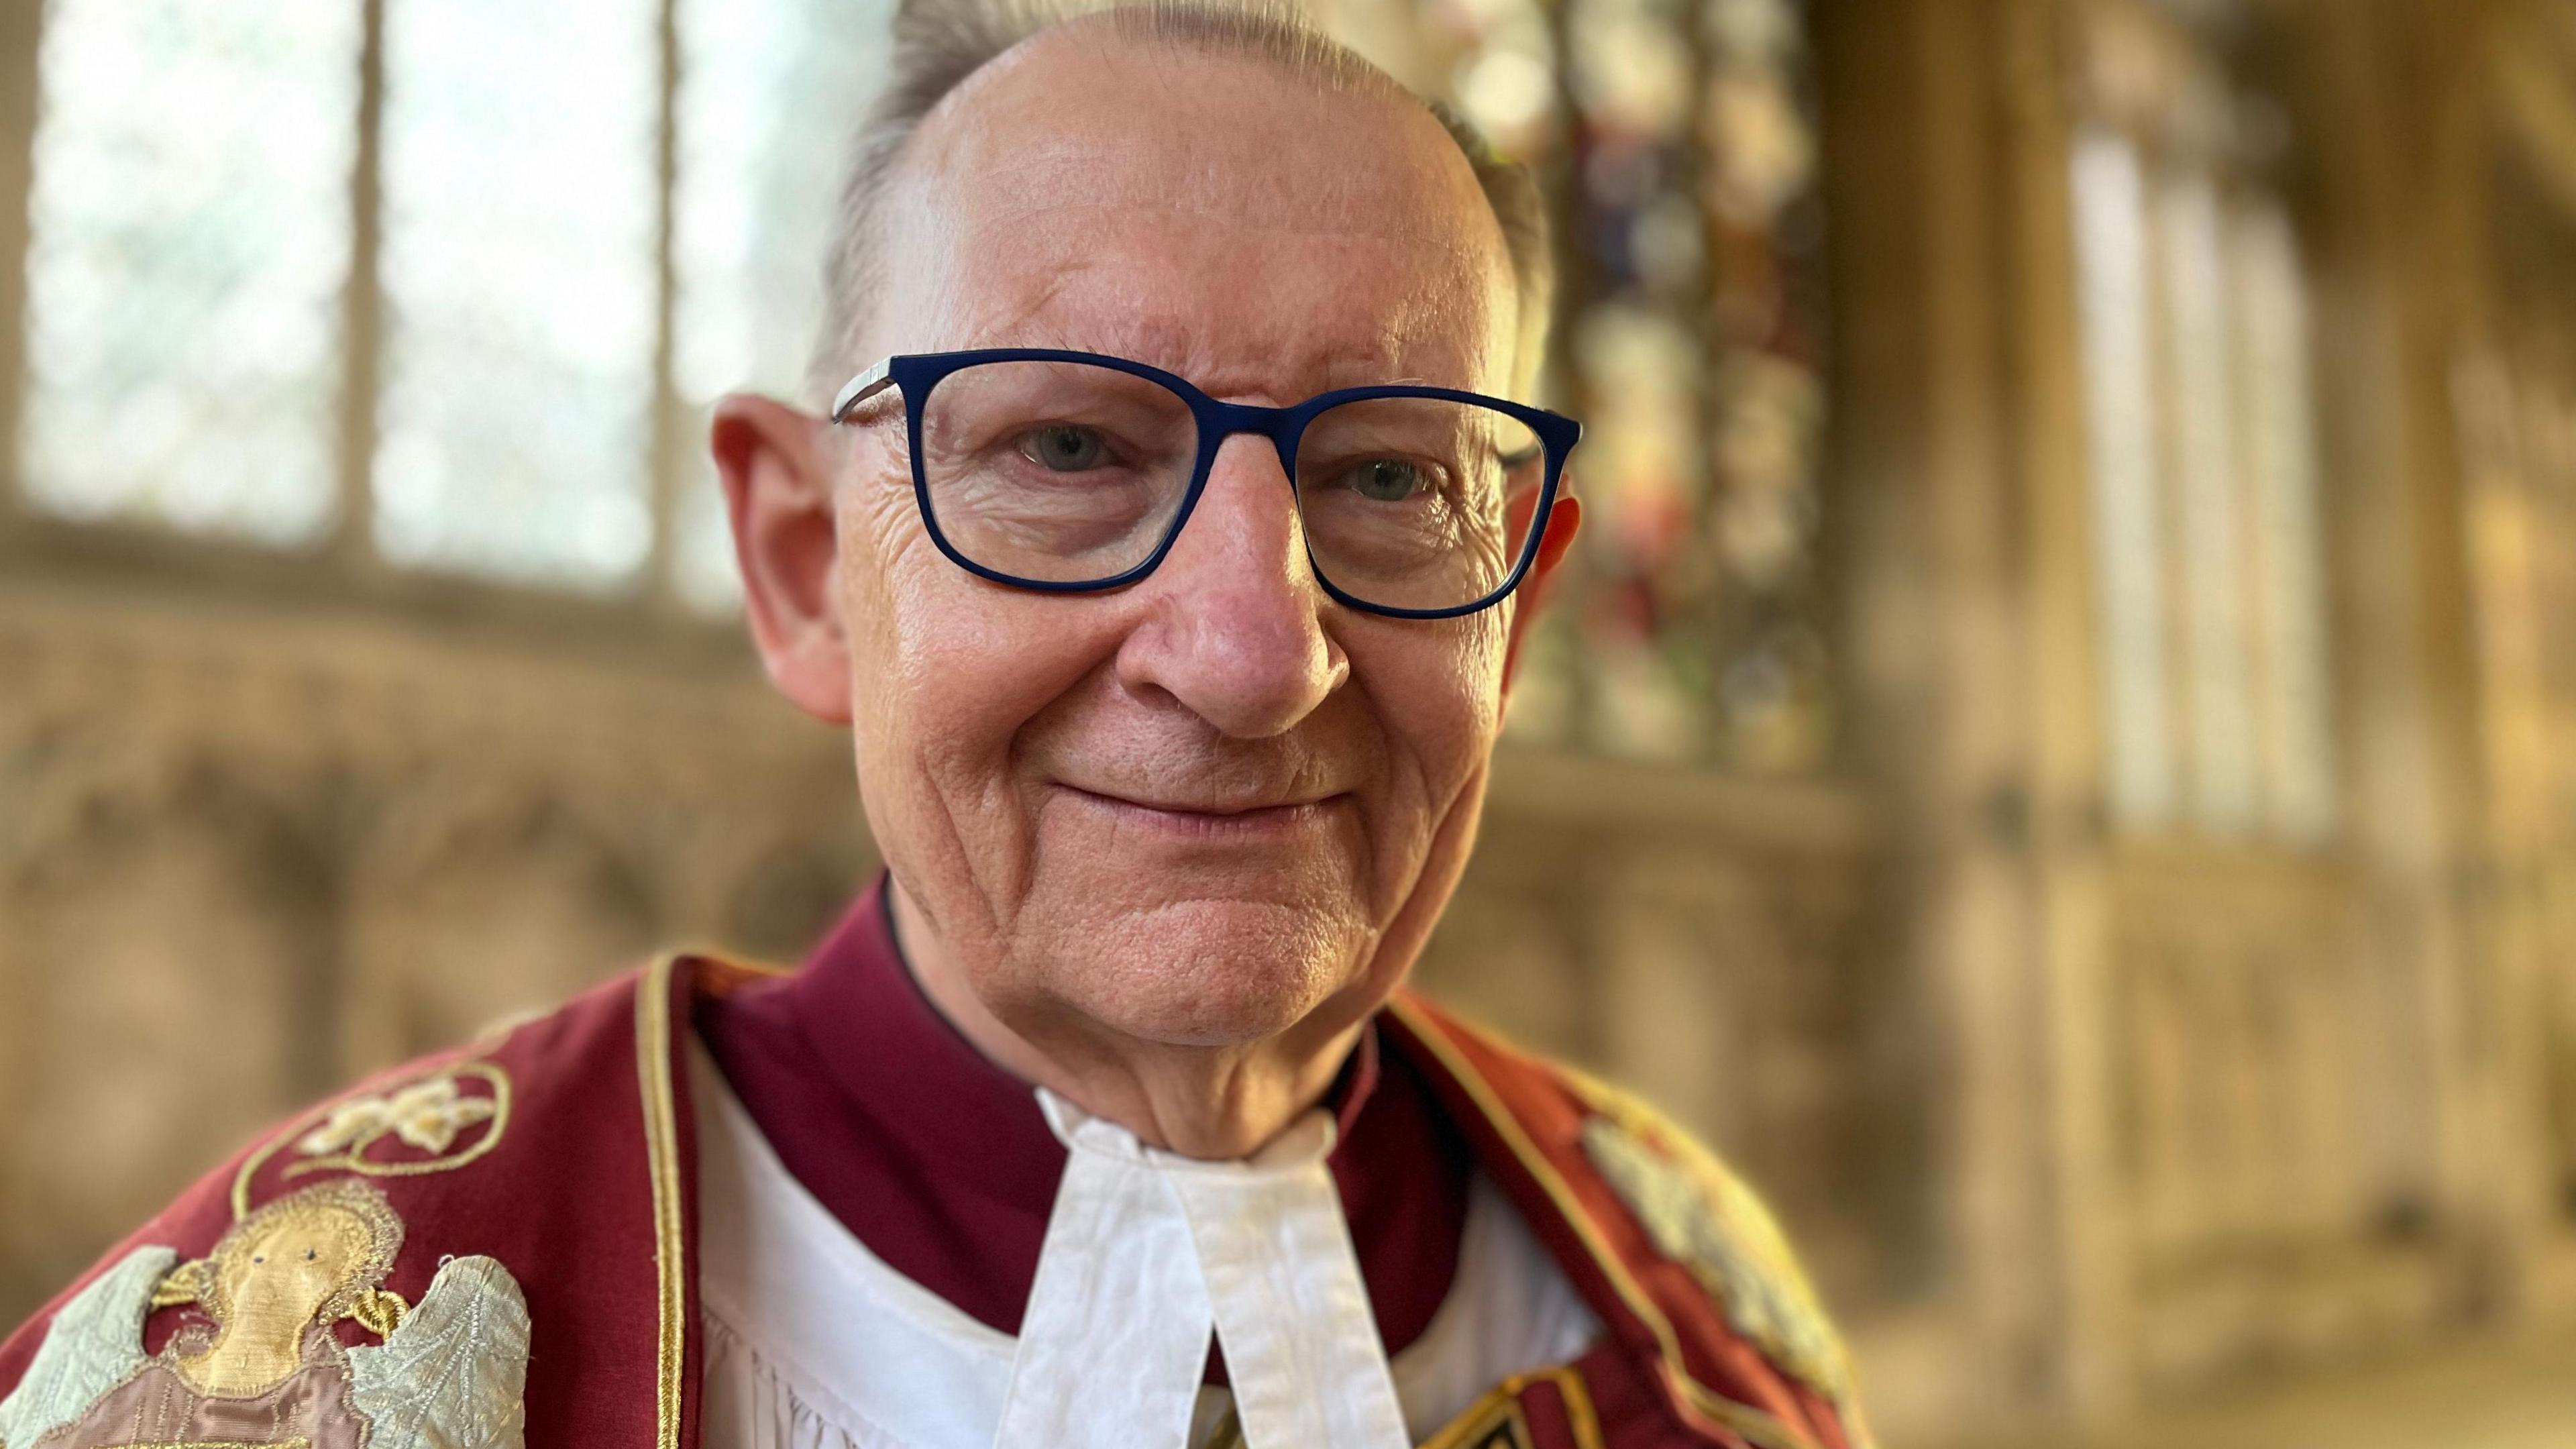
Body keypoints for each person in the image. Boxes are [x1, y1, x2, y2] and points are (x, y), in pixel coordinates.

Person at [0, 2, 1869, 1447]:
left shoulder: (1674, 1291)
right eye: (1066, 450)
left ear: (1519, 617)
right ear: (810, 563)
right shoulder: (292, 1355)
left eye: (1390, 477)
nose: (1252, 655)